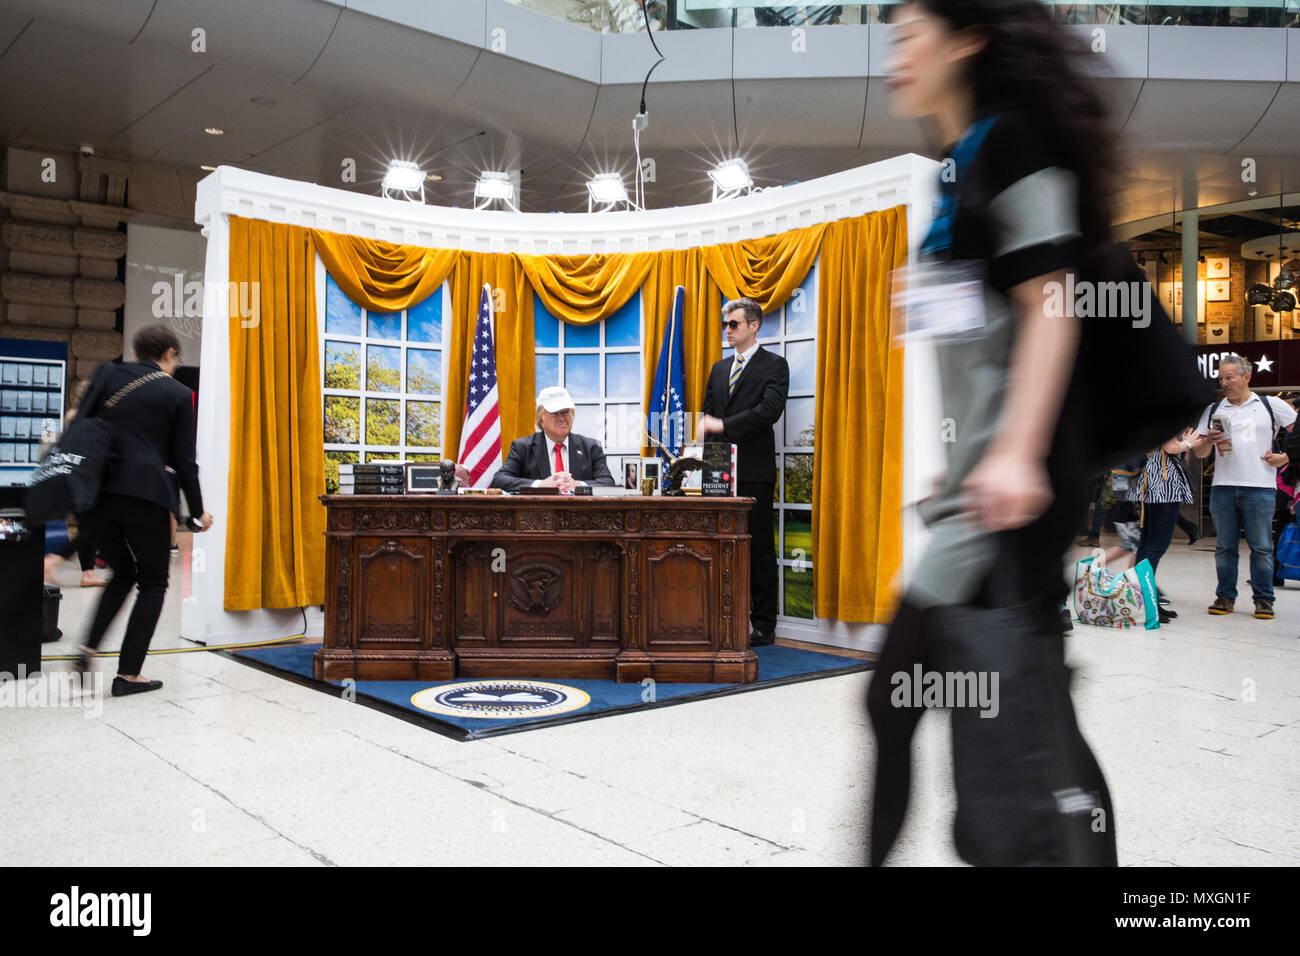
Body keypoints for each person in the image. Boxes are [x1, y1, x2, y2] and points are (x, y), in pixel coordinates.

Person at [867, 0, 1121, 866]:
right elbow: (987, 348)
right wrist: (968, 457)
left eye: (909, 36)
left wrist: (1012, 452)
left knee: (962, 703)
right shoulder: (956, 163)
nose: (894, 53)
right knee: (1006, 703)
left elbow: (1053, 304)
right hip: (982, 490)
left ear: (967, 38)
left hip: (1014, 494)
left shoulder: (1013, 140)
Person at [77, 325, 213, 696]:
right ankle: (129, 674)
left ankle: (88, 645)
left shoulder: (107, 375)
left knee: (122, 572)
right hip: (145, 494)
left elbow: (80, 428)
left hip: (100, 492)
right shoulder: (180, 393)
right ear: (169, 354)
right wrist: (197, 513)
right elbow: (185, 462)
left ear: (136, 354)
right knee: (153, 580)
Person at [699, 297, 790, 647]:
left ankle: (764, 623)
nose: (727, 330)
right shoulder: (719, 369)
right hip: (717, 472)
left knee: (759, 548)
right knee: (718, 546)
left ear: (754, 326)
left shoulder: (775, 366)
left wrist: (723, 424)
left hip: (754, 470)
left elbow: (769, 412)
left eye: (733, 324)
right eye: (725, 324)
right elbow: (707, 419)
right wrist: (703, 467)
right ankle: (722, 616)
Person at [1191, 354, 1296, 618]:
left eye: (1230, 377)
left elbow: (1298, 434)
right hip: (1223, 487)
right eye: (1221, 378)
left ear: (1246, 377)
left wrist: (1286, 457)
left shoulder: (1270, 405)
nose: (1224, 383)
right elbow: (1201, 453)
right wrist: (1208, 442)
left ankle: (1264, 599)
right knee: (1225, 546)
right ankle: (1225, 596)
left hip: (1260, 487)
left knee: (1260, 546)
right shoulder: (1214, 410)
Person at [1126, 429, 1197, 622]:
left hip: (1150, 483)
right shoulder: (1168, 411)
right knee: (1157, 543)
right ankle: (1148, 602)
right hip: (1162, 486)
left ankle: (1146, 600)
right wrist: (1188, 443)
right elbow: (1171, 447)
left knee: (1148, 542)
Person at [42, 379, 106, 588]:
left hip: (72, 478)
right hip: (86, 480)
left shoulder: (71, 416)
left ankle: (87, 572)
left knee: (87, 526)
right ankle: (54, 559)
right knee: (92, 528)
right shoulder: (90, 418)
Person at [491, 386, 615, 493]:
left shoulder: (590, 447)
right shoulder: (523, 447)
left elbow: (608, 482)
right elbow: (499, 480)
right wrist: (541, 485)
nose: (562, 418)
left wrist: (578, 486)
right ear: (541, 419)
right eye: (555, 413)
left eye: (566, 412)